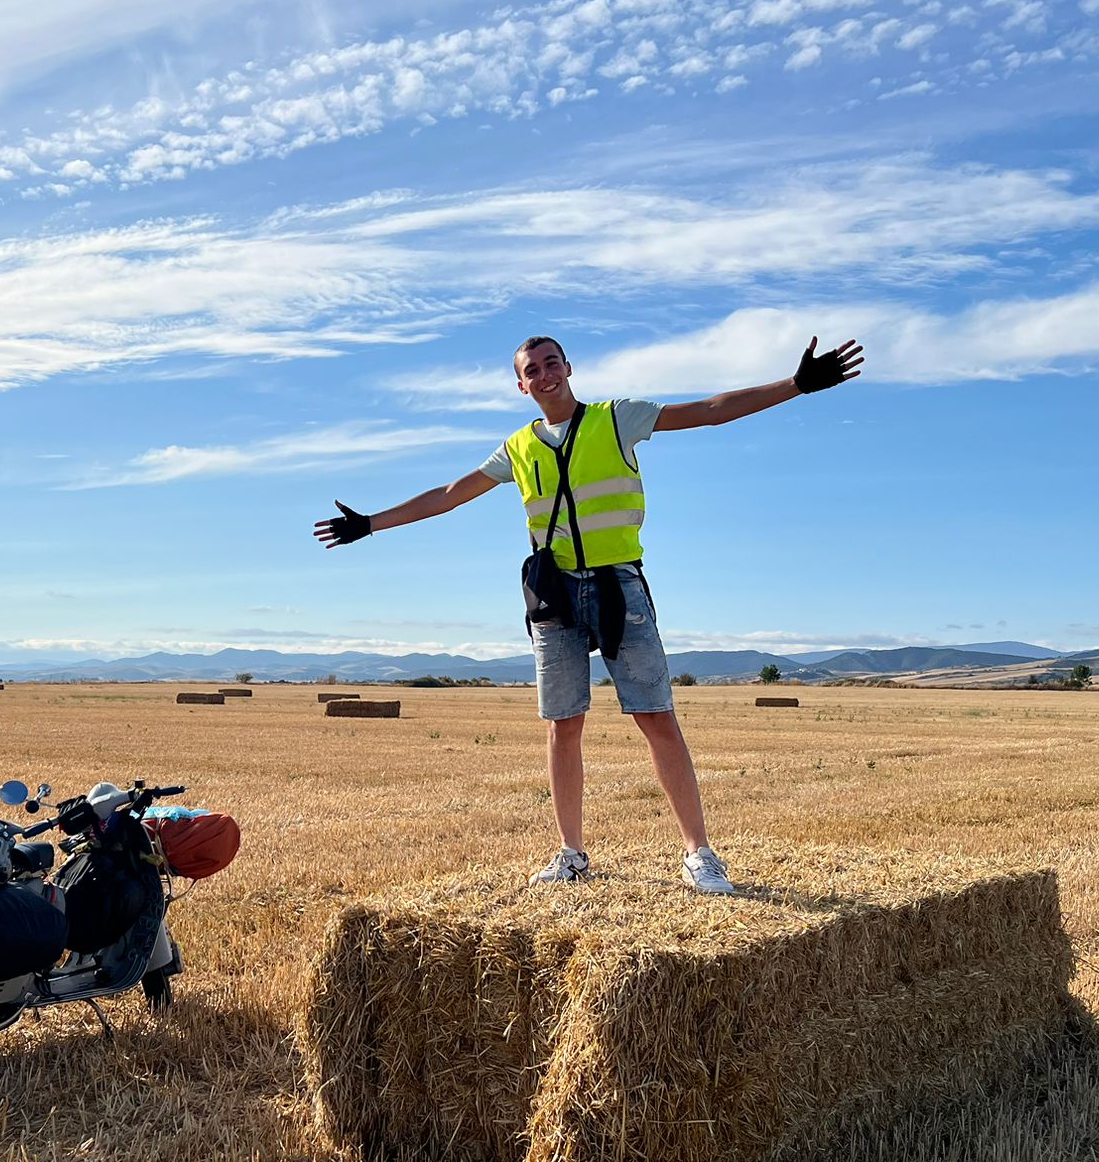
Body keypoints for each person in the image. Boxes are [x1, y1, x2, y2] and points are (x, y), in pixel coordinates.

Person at [313, 333, 863, 891]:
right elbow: (450, 492)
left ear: (569, 367)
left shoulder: (616, 417)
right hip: (553, 593)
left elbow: (709, 411)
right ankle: (572, 853)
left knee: (656, 716)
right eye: (533, 369)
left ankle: (699, 854)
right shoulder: (517, 448)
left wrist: (795, 385)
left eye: (553, 362)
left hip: (619, 582)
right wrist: (371, 524)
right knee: (563, 725)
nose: (545, 374)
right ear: (521, 383)